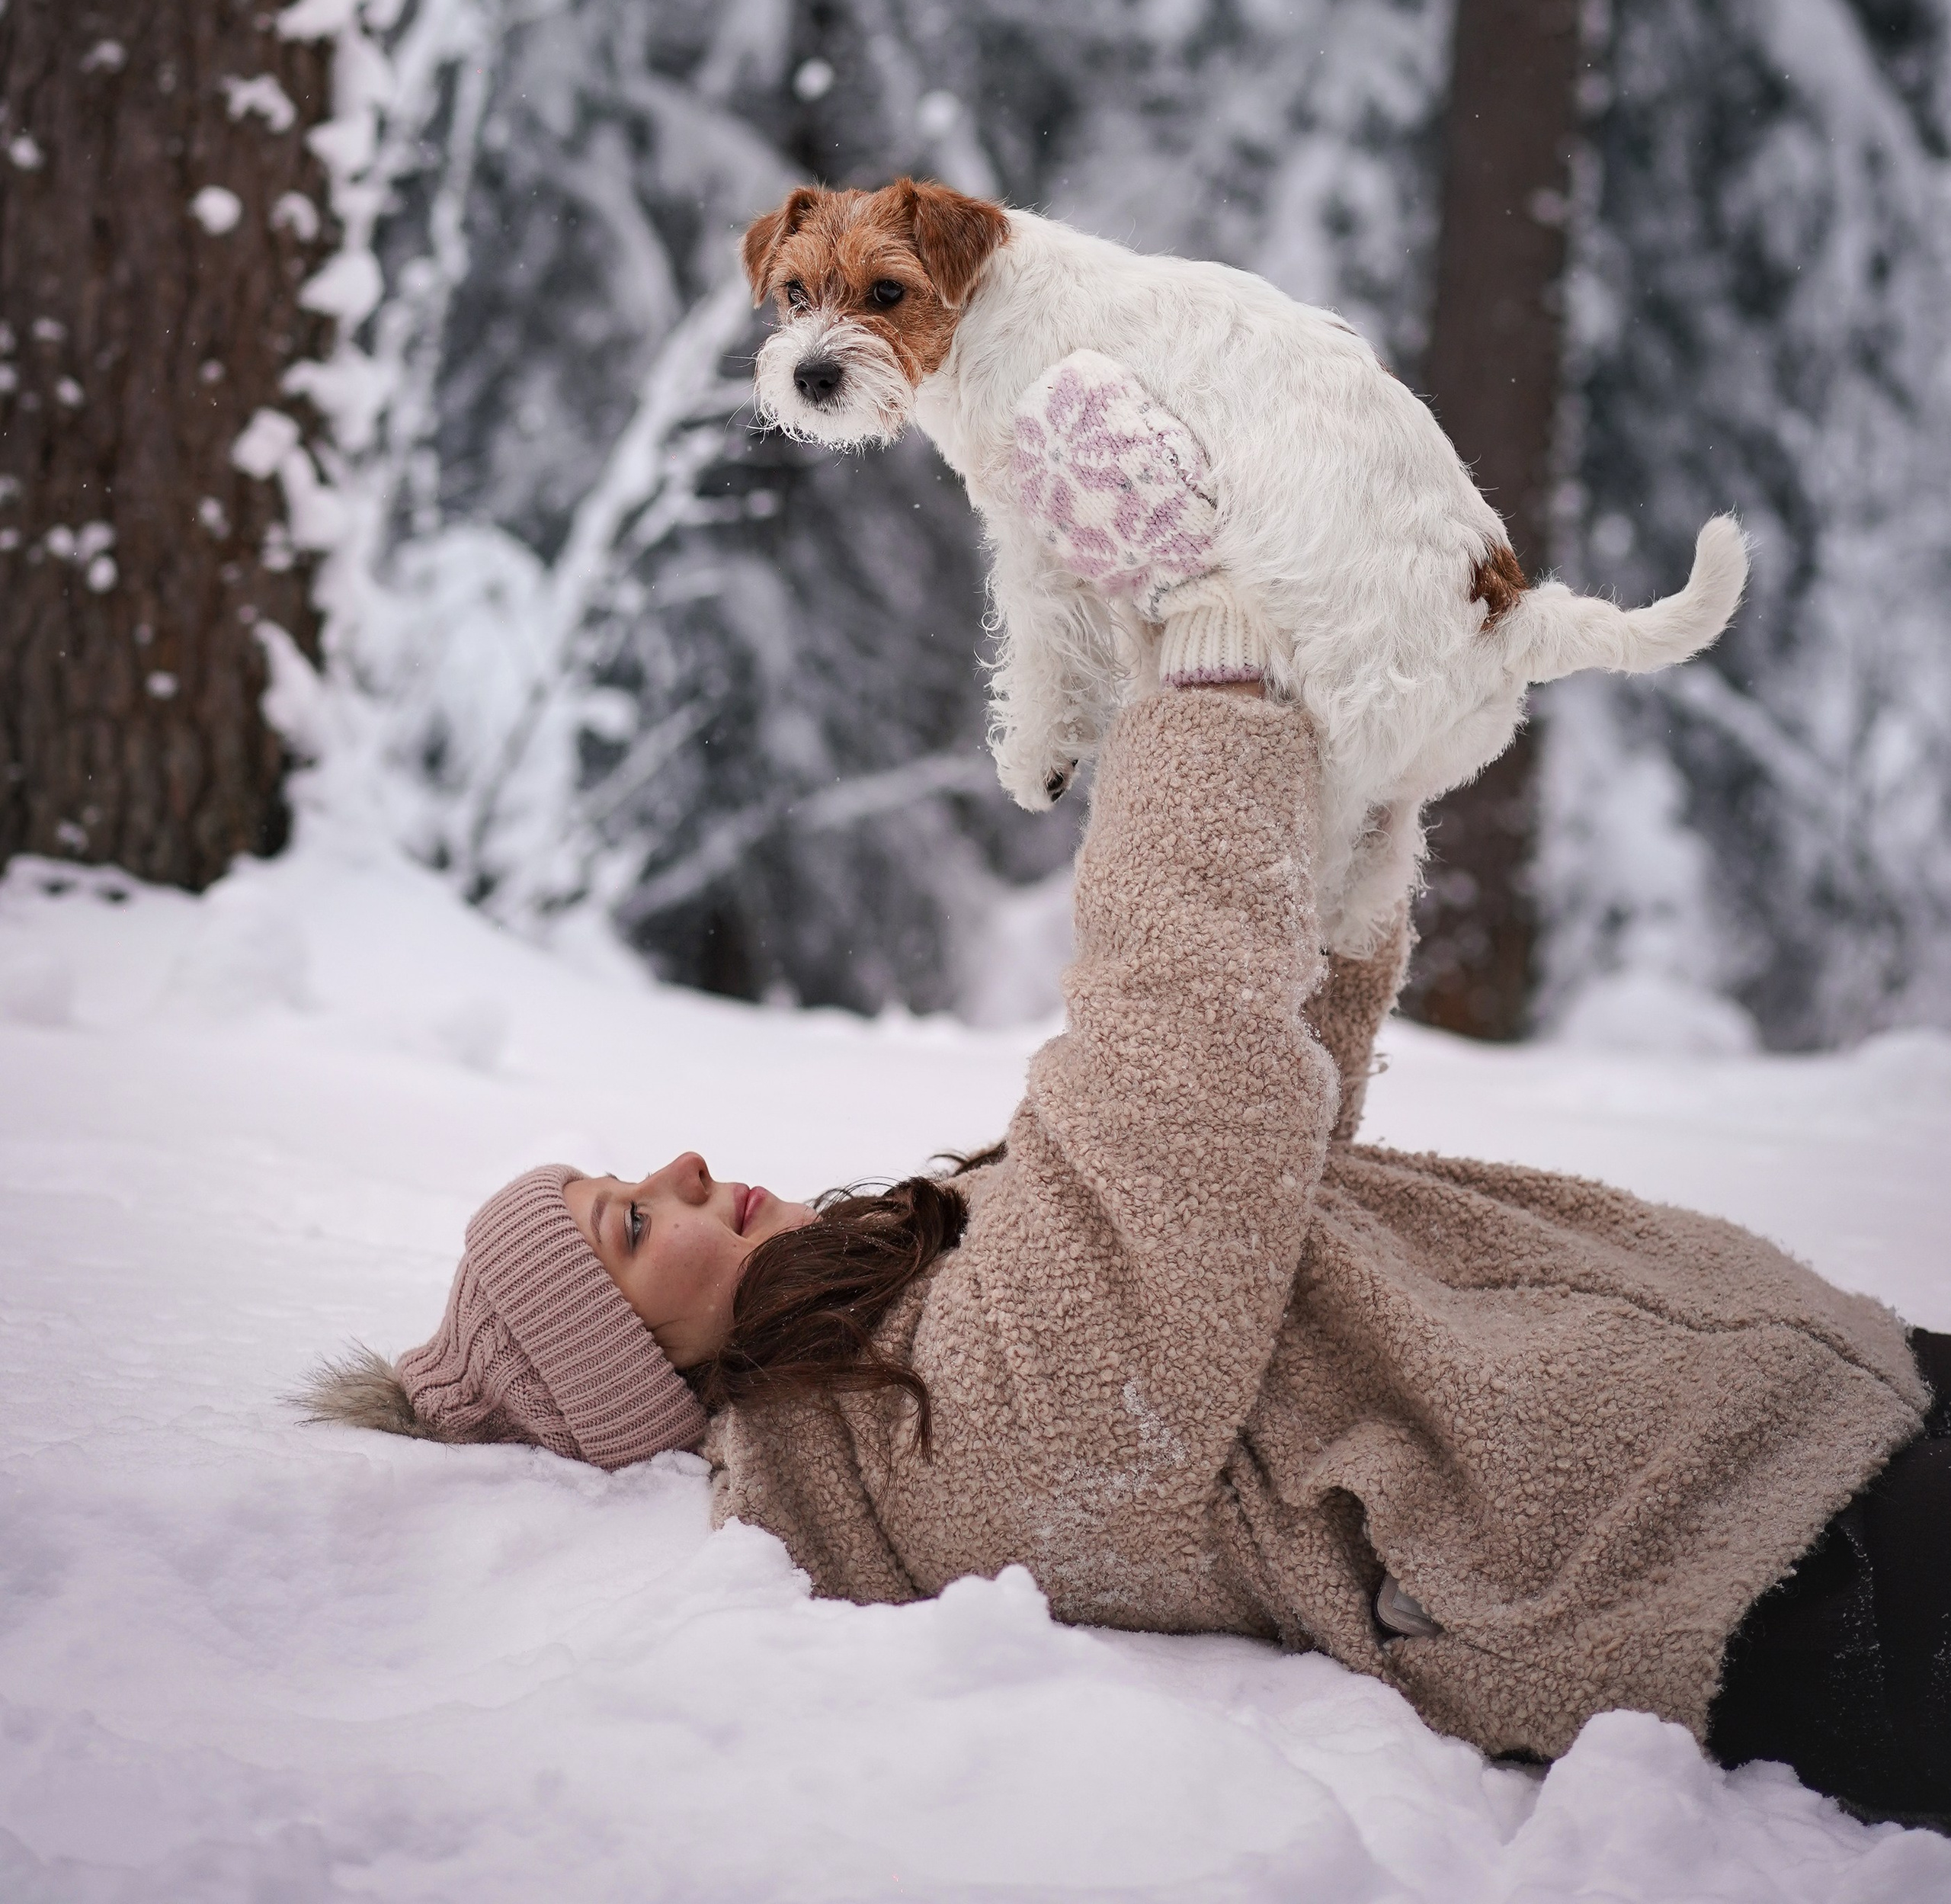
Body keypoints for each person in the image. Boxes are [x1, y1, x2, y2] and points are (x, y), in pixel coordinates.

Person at [310, 367, 1948, 1833]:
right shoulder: (907, 1447)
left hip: (1799, 1404)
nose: (677, 1165)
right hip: (1761, 1549)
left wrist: (1350, 825)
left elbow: (1253, 1124)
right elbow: (1180, 1111)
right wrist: (1202, 692)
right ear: (634, 1370)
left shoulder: (923, 1312)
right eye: (627, 1222)